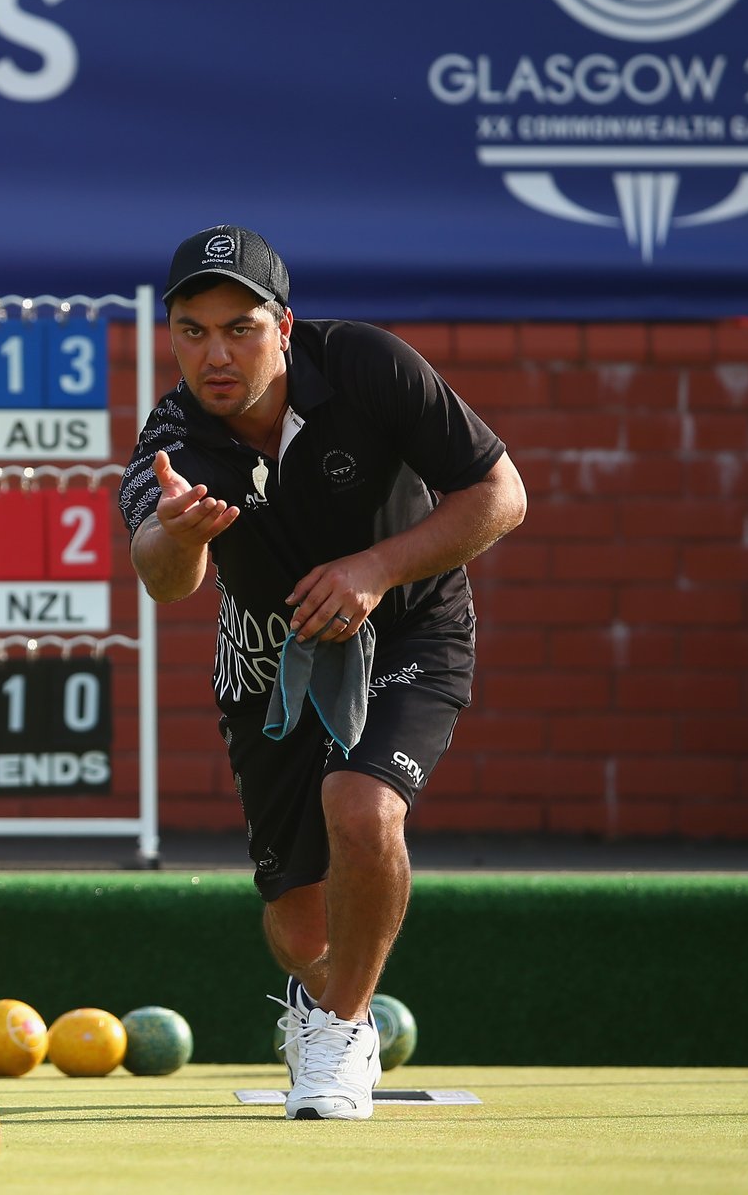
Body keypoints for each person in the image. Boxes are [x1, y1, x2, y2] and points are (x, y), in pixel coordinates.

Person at [117, 224, 526, 1120]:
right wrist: (181, 539)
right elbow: (161, 579)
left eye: (241, 328)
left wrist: (374, 569)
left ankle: (341, 1035)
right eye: (192, 330)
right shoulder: (174, 433)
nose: (215, 354)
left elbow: (502, 495)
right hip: (267, 655)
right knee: (300, 925)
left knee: (362, 804)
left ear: (285, 326)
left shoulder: (371, 365)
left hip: (410, 628)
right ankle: (330, 995)